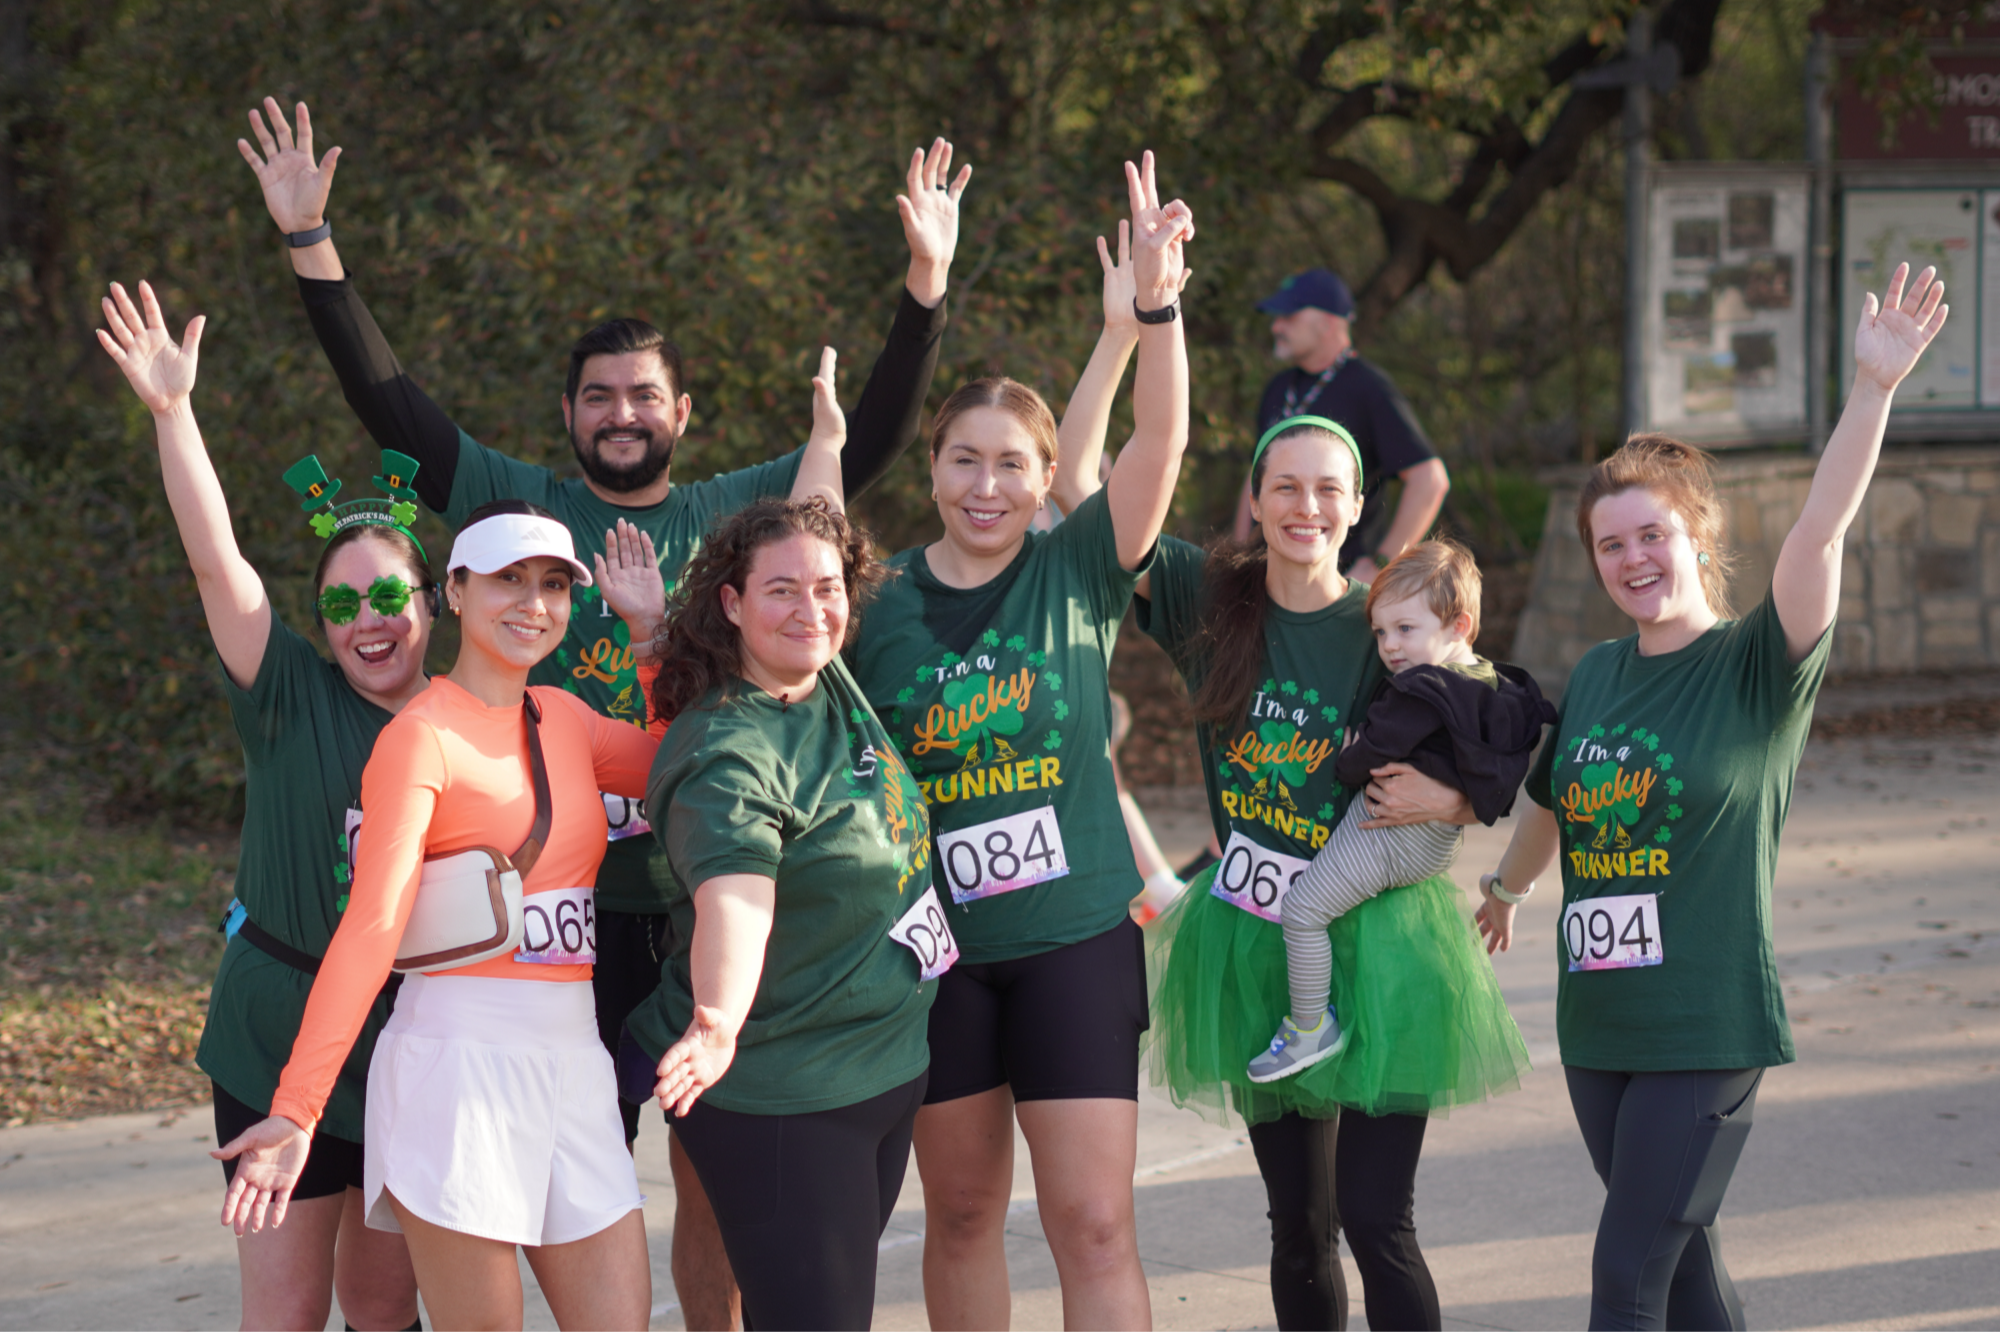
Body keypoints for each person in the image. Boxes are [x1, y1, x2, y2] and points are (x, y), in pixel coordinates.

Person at [238, 95, 966, 1329]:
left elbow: (872, 446)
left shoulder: (739, 516)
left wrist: (923, 288)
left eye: (643, 395)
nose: (620, 413)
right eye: (596, 396)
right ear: (566, 413)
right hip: (541, 934)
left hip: (693, 904)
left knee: (705, 1195)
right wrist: (315, 251)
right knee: (479, 1218)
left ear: (681, 412)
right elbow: (394, 412)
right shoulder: (513, 507)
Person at [1475, 262, 1948, 1333]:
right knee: (1682, 1273)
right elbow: (1551, 794)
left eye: (1650, 533)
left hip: (1704, 1022)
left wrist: (1871, 389)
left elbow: (1816, 532)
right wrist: (1505, 888)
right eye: (1610, 544)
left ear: (1693, 534)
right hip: (1598, 1019)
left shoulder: (1755, 664)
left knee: (1624, 1275)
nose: (1632, 557)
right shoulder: (1594, 672)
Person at [846, 154, 1191, 1331]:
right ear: (932, 468)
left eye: (1010, 465)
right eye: (961, 459)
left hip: (1073, 940)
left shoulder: (1078, 569)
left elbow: (1159, 439)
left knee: (1092, 1223)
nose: (983, 485)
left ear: (1047, 482)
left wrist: (1155, 314)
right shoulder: (875, 602)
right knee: (957, 1215)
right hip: (936, 954)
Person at [212, 502, 671, 1331]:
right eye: (508, 580)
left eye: (553, 584)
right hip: (454, 1070)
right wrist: (299, 1105)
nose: (533, 602)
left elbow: (684, 763)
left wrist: (649, 638)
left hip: (574, 1062)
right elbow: (373, 925)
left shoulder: (566, 718)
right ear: (454, 592)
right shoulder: (419, 738)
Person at [1135, 412, 1528, 1333]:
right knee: (1298, 1228)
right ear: (1257, 499)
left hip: (1389, 941)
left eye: (1328, 489)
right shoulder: (1212, 602)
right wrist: (1142, 322)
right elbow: (1087, 486)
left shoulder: (1390, 620)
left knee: (1378, 1220)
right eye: (1285, 485)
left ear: (1358, 507)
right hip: (1258, 942)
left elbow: (1505, 728)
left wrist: (1461, 804)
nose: (1305, 506)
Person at [94, 280, 423, 1333]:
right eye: (340, 602)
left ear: (432, 603)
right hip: (270, 1030)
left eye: (388, 596)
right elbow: (214, 560)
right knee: (283, 1312)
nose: (366, 620)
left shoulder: (467, 723)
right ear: (318, 621)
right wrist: (173, 413)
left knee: (383, 1306)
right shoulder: (285, 693)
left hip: (405, 1043)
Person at [615, 487, 937, 1331]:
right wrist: (717, 1018)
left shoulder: (826, 681)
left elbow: (819, 510)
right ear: (733, 602)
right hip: (788, 1094)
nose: (811, 607)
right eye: (781, 589)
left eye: (827, 586)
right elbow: (736, 900)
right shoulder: (728, 751)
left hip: (880, 1063)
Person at [1249, 537, 1555, 1083]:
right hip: (1437, 841)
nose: (1390, 647)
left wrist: (1347, 757)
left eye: (1405, 629)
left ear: (1458, 625)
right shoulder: (1496, 686)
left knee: (1303, 914)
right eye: (1381, 632)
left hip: (1389, 833)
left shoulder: (1421, 688)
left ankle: (1309, 1025)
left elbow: (1365, 756)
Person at [1232, 267, 1449, 584]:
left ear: (1327, 323)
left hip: (1337, 587)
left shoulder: (1368, 387)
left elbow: (1429, 479)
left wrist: (1381, 564)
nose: (1276, 326)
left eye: (1289, 317)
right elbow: (1256, 476)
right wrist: (1239, 558)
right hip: (1268, 582)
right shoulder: (1279, 387)